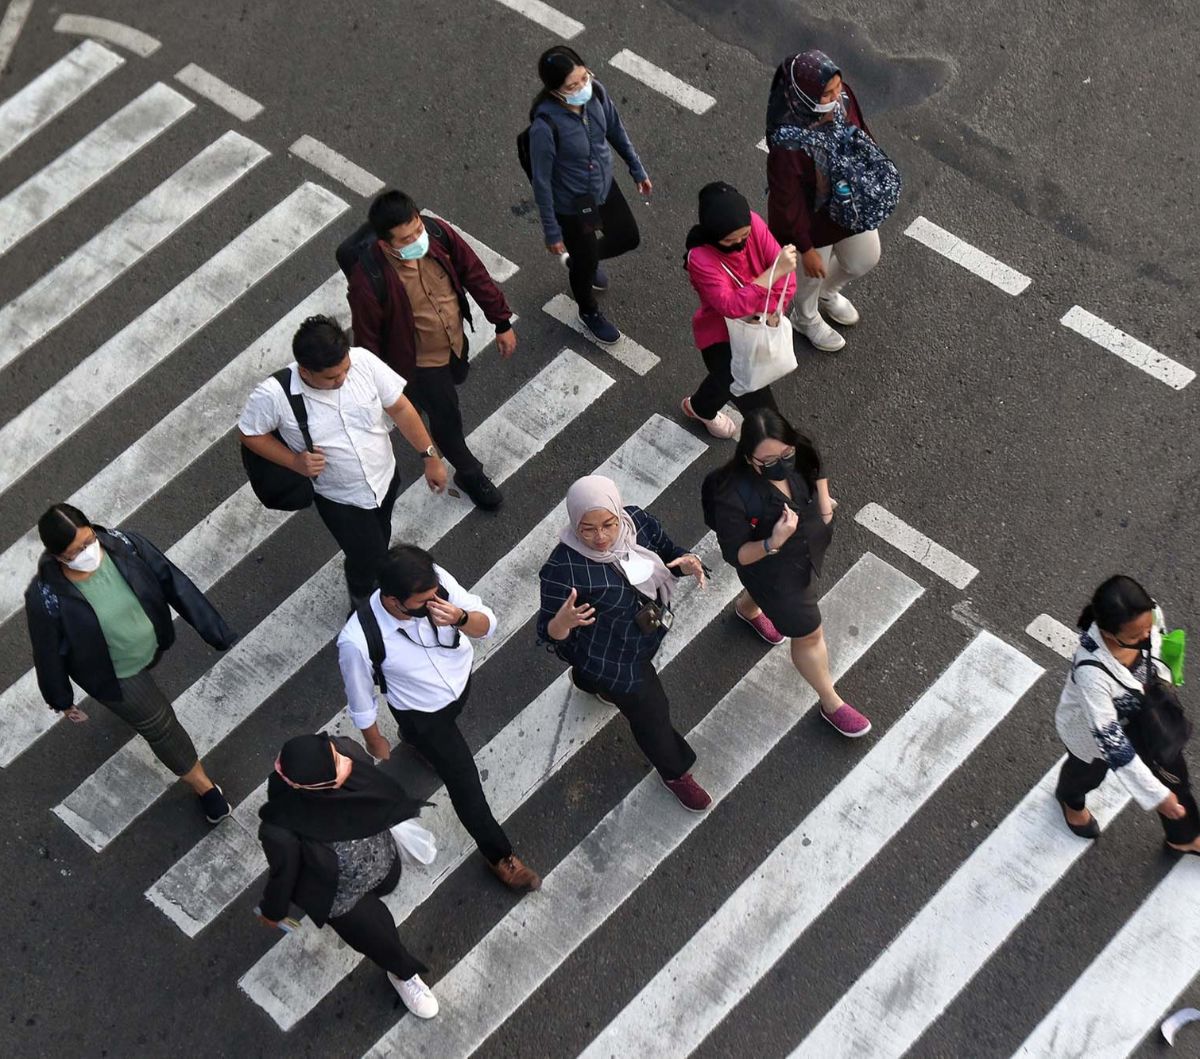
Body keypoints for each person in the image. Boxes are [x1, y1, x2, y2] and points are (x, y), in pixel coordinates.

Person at [337, 544, 541, 891]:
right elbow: (361, 698)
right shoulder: (357, 640)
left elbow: (486, 623)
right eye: (421, 604)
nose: (432, 605)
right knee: (466, 784)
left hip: (459, 680)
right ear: (392, 601)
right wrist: (374, 738)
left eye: (434, 595)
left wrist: (460, 618)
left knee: (431, 740)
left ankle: (416, 743)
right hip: (423, 713)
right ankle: (499, 855)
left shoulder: (435, 584)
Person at [24, 503, 236, 823]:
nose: (86, 553)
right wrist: (60, 698)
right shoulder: (46, 597)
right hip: (117, 675)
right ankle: (204, 787)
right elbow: (47, 651)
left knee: (153, 702)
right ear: (57, 557)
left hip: (152, 645)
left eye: (88, 541)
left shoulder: (125, 545)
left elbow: (171, 581)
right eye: (73, 552)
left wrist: (213, 629)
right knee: (162, 727)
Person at [238, 314, 448, 604]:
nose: (342, 379)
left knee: (379, 536)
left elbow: (399, 408)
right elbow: (250, 434)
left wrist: (430, 456)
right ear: (305, 371)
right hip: (340, 499)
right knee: (370, 558)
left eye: (345, 370)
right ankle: (362, 601)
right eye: (331, 377)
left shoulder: (362, 361)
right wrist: (294, 462)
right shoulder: (274, 395)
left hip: (384, 478)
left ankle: (366, 581)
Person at [537, 475, 711, 811]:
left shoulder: (638, 524)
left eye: (608, 524)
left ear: (619, 514)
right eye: (587, 529)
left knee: (590, 675)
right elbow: (548, 632)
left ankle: (587, 681)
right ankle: (675, 772)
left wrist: (687, 561)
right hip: (613, 660)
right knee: (652, 713)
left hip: (646, 628)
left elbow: (666, 552)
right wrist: (563, 622)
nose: (600, 537)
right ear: (574, 523)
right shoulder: (562, 569)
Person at [703, 408, 871, 738]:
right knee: (809, 633)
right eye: (767, 461)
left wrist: (823, 505)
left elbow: (816, 464)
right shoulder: (732, 493)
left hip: (806, 545)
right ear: (748, 458)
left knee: (765, 596)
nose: (780, 463)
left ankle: (748, 609)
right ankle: (830, 701)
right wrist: (772, 541)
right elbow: (736, 554)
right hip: (772, 570)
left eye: (785, 454)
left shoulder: (799, 447)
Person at [347, 189, 516, 510]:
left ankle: (414, 410)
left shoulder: (437, 233)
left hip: (454, 345)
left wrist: (502, 321)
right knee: (446, 417)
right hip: (420, 366)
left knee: (437, 399)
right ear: (385, 244)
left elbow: (474, 273)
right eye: (404, 239)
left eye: (417, 230)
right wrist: (376, 390)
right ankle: (469, 472)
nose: (416, 239)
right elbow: (367, 340)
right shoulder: (368, 280)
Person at [256, 733, 439, 1017]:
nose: (346, 761)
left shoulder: (343, 750)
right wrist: (274, 910)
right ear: (308, 787)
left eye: (337, 754)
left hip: (381, 857)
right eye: (338, 762)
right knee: (379, 937)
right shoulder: (280, 828)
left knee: (387, 886)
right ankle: (403, 972)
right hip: (340, 896)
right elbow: (284, 874)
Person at [1054, 576, 1200, 854]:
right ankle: (1069, 799)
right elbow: (1112, 745)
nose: (1147, 635)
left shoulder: (1150, 615)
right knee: (1086, 775)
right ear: (1109, 634)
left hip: (1146, 717)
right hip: (1094, 737)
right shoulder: (1091, 673)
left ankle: (1183, 836)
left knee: (1174, 775)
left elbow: (1160, 644)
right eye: (1136, 636)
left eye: (1148, 627)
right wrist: (1156, 797)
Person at [529, 45, 652, 345]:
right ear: (555, 90)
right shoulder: (545, 128)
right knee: (584, 266)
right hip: (572, 207)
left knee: (627, 237)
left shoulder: (596, 92)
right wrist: (552, 231)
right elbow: (542, 182)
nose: (582, 87)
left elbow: (615, 130)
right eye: (573, 85)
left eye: (584, 77)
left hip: (603, 186)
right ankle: (588, 311)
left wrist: (637, 169)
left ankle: (583, 261)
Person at [766, 50, 884, 353]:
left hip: (846, 202)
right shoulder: (788, 142)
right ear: (805, 95)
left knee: (864, 258)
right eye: (827, 93)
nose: (836, 96)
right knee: (808, 277)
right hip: (812, 219)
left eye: (838, 87)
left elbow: (859, 132)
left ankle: (828, 292)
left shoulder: (842, 98)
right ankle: (805, 317)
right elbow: (786, 204)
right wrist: (805, 249)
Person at [681, 181, 799, 440]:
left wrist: (774, 310)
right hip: (722, 337)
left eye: (744, 237)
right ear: (713, 235)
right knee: (765, 416)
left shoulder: (753, 222)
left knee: (728, 381)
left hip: (760, 324)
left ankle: (700, 407)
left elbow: (787, 279)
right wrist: (772, 275)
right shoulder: (699, 259)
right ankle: (780, 459)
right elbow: (729, 306)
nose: (739, 244)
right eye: (729, 241)